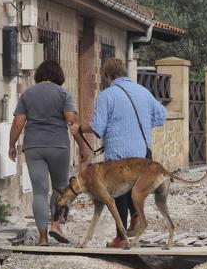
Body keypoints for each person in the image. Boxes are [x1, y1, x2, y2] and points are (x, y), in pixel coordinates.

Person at [71, 58, 167, 248]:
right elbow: (161, 116)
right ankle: (137, 215)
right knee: (134, 189)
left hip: (119, 153)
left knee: (119, 196)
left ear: (108, 75)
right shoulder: (144, 92)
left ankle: (120, 238)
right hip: (143, 152)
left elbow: (98, 127)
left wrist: (79, 128)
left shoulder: (108, 95)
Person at [9, 60, 87, 246]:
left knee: (39, 192)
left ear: (39, 75)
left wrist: (11, 144)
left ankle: (42, 238)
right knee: (60, 187)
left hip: (34, 147)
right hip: (58, 146)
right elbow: (71, 121)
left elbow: (19, 122)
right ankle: (56, 224)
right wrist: (83, 147)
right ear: (58, 75)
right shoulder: (63, 93)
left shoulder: (28, 94)